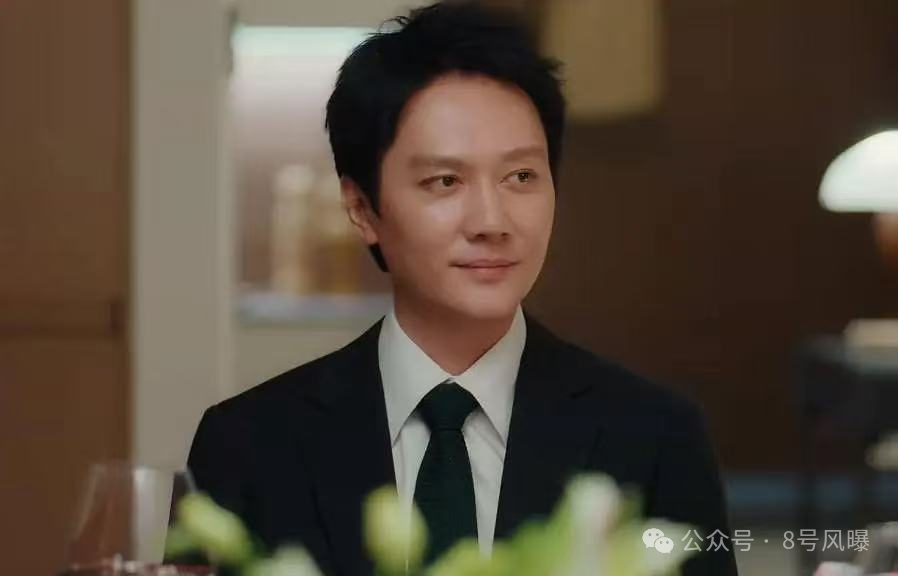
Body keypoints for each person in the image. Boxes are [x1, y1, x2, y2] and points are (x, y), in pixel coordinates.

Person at [187, 2, 738, 575]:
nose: (491, 221)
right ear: (362, 208)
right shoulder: (247, 444)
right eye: (445, 181)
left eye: (521, 176)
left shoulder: (654, 438)